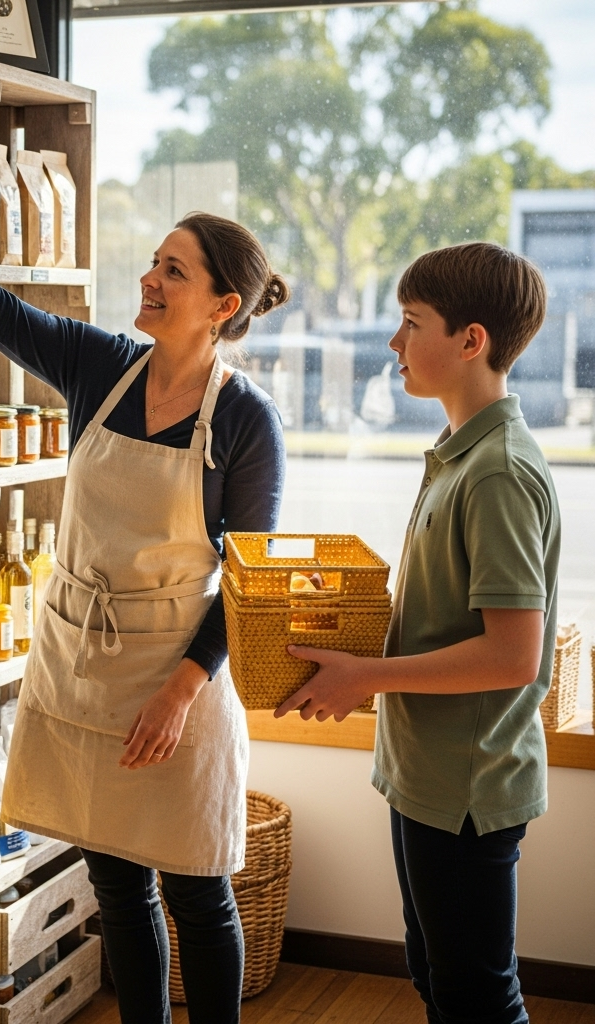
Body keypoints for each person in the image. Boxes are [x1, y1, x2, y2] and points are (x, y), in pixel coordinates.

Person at [0, 142, 288, 1023]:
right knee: (116, 883)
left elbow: (248, 581)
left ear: (223, 306)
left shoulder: (243, 419)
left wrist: (184, 691)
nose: (150, 280)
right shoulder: (100, 365)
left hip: (179, 677)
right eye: (155, 263)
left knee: (198, 889)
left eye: (174, 272)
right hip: (83, 664)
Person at [277, 242, 559, 1024]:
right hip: (427, 777)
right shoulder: (461, 457)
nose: (395, 344)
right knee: (438, 980)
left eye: (410, 323)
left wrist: (363, 677)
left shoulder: (498, 470)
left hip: (466, 790)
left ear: (472, 341)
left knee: (475, 997)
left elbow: (512, 655)